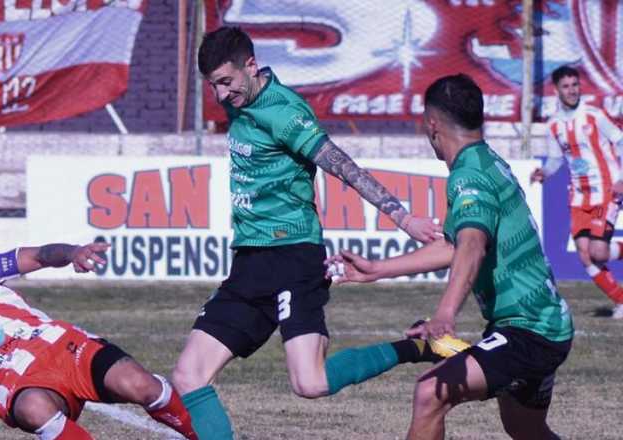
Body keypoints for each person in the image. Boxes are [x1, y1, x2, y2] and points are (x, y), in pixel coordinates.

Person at [171, 26, 444, 439]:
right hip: (249, 263)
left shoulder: (285, 112)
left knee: (309, 383)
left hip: (293, 257)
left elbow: (343, 166)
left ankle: (417, 347)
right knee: (188, 376)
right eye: (213, 87)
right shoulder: (239, 101)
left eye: (226, 82)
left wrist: (402, 218)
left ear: (251, 66)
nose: (222, 96)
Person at [331, 74, 573, 439]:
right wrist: (377, 269)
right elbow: (456, 245)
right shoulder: (486, 160)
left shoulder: (468, 175)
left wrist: (445, 313)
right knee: (525, 428)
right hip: (542, 323)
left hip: (530, 329)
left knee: (430, 393)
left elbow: (472, 245)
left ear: (432, 125)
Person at [0, 230, 197, 440]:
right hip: (20, 387)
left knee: (142, 385)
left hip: (61, 347)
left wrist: (73, 252)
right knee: (34, 409)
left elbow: (39, 255)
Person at [530, 65, 623, 319]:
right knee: (585, 255)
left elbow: (621, 140)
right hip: (579, 197)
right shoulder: (554, 126)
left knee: (598, 252)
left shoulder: (595, 116)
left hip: (606, 190)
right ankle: (621, 300)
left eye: (575, 85)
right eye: (566, 86)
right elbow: (555, 159)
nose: (572, 90)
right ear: (557, 90)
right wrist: (544, 173)